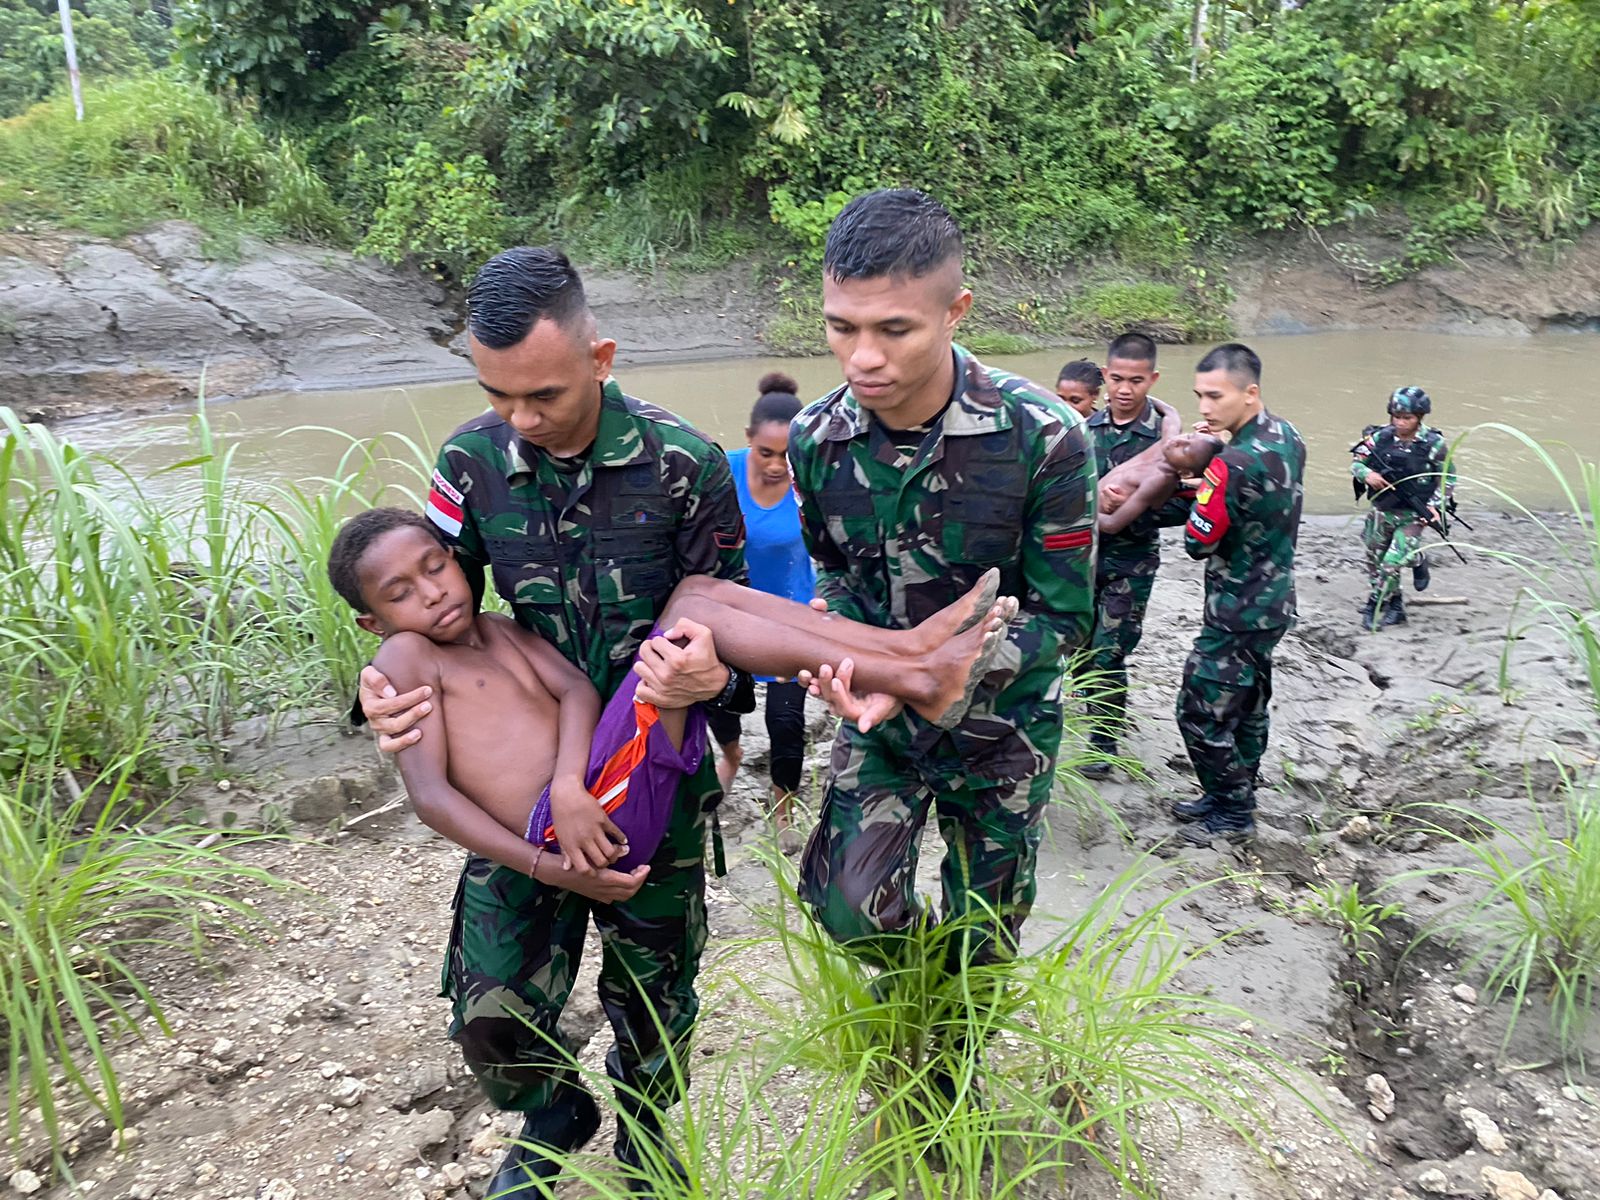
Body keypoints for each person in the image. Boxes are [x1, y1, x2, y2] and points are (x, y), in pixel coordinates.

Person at [353, 246, 761, 1196]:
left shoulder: (685, 466)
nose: (520, 421)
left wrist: (715, 687)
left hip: (650, 776)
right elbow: (427, 604)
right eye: (497, 394)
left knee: (652, 994)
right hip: (521, 784)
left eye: (542, 396)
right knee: (488, 999)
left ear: (601, 358)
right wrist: (378, 695)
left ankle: (649, 1141)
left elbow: (728, 623)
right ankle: (551, 1114)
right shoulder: (471, 460)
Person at [331, 508, 1011, 882]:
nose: (431, 592)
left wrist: (570, 780)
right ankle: (915, 669)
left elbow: (572, 690)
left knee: (692, 596)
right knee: (695, 617)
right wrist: (547, 864)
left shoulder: (497, 629)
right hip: (579, 832)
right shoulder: (406, 653)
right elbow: (430, 798)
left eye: (435, 567)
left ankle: (912, 655)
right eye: (400, 593)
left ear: (457, 558)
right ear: (373, 622)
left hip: (588, 791)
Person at [786, 188, 1098, 979]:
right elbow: (836, 570)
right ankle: (920, 988)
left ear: (955, 311)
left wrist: (944, 674)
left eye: (894, 329)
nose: (862, 356)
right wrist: (853, 660)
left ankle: (952, 1064)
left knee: (983, 941)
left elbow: (1064, 617)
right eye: (840, 326)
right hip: (882, 725)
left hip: (1004, 730)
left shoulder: (1045, 438)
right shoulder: (816, 438)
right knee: (844, 906)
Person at [1171, 343, 1305, 846]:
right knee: (1248, 704)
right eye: (1199, 396)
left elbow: (1197, 543)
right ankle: (1236, 789)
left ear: (1250, 393)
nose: (1205, 409)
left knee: (1198, 710)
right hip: (1276, 600)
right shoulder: (1287, 435)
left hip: (1235, 609)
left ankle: (1232, 809)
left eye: (1215, 396)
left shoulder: (1231, 464)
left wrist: (1201, 484)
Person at [703, 373, 816, 840]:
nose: (776, 466)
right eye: (766, 452)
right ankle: (730, 756)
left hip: (789, 615)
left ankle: (783, 798)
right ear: (748, 439)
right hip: (730, 613)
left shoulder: (811, 486)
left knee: (785, 721)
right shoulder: (720, 473)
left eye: (788, 456)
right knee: (720, 703)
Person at [1080, 331, 1186, 778]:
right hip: (1082, 561)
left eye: (1137, 381)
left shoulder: (1166, 442)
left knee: (1109, 650)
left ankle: (1103, 744)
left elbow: (1185, 503)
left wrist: (1132, 507)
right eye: (1118, 379)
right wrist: (1091, 501)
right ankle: (1100, 717)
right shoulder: (1082, 432)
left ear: (1153, 379)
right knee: (1082, 650)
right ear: (1105, 376)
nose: (1125, 390)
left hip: (1132, 561)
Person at [1351, 387, 1453, 631]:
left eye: (1406, 418)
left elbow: (1447, 478)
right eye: (1396, 416)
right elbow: (1357, 462)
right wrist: (1368, 474)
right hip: (1382, 509)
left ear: (1419, 417)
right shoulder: (1379, 438)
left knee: (1391, 561)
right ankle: (1396, 604)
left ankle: (1373, 604)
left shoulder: (1434, 444)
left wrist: (1435, 506)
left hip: (1413, 515)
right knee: (1376, 558)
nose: (1400, 422)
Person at [1098, 432, 1223, 536]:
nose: (1178, 441)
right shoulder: (1166, 444)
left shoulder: (1160, 479)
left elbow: (1112, 524)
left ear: (1186, 473)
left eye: (1185, 450)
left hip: (1101, 532)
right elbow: (1171, 413)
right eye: (1189, 436)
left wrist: (1081, 516)